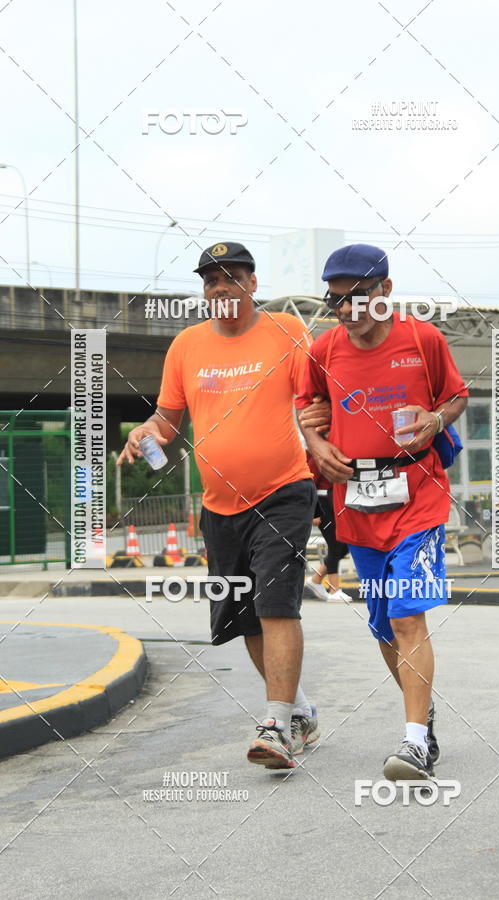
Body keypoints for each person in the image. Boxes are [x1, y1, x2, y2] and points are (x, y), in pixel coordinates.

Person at [118, 241, 319, 770]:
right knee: (247, 617)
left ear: (253, 284)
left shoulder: (288, 332)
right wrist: (144, 431)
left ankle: (276, 725)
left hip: (283, 491)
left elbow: (313, 403)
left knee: (276, 604)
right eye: (211, 280)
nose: (220, 286)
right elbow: (167, 421)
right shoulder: (186, 346)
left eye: (231, 276)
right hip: (220, 507)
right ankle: (298, 711)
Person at [297, 243, 468, 781]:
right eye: (336, 301)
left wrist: (438, 420)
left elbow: (457, 396)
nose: (346, 310)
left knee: (405, 613)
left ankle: (414, 741)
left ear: (385, 292)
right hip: (356, 502)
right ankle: (425, 714)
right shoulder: (323, 351)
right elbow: (307, 407)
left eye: (357, 297)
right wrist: (315, 441)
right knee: (382, 626)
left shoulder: (423, 338)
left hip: (418, 494)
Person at [305, 458, 351, 603]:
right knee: (335, 545)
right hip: (322, 501)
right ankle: (334, 589)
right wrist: (314, 511)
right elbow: (309, 483)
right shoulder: (318, 455)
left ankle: (316, 579)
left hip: (335, 501)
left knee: (344, 545)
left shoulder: (335, 453)